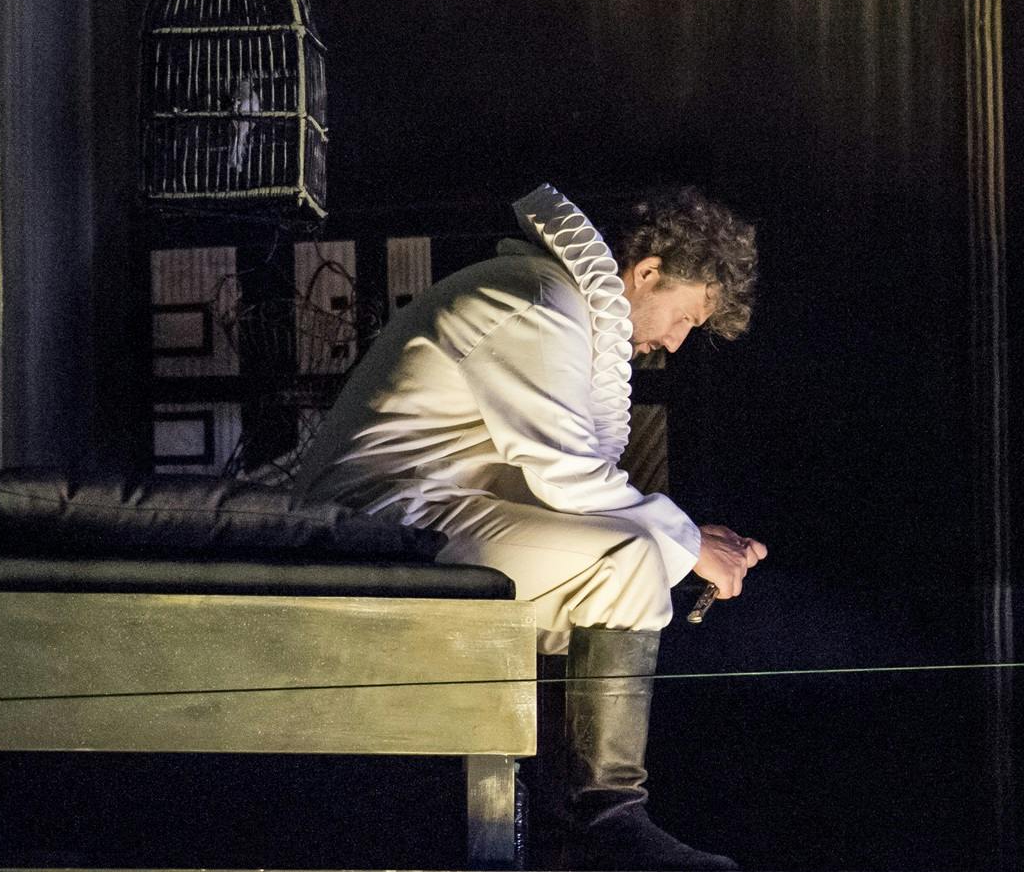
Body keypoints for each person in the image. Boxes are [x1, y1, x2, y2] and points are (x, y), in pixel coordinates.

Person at [295, 183, 764, 872]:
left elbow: (561, 489)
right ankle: (600, 826)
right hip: (380, 525)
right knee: (624, 558)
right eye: (685, 316)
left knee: (621, 563)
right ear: (649, 271)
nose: (673, 340)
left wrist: (690, 541)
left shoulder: (553, 300)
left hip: (425, 515)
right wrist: (691, 544)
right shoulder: (537, 301)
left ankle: (567, 818)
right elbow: (566, 474)